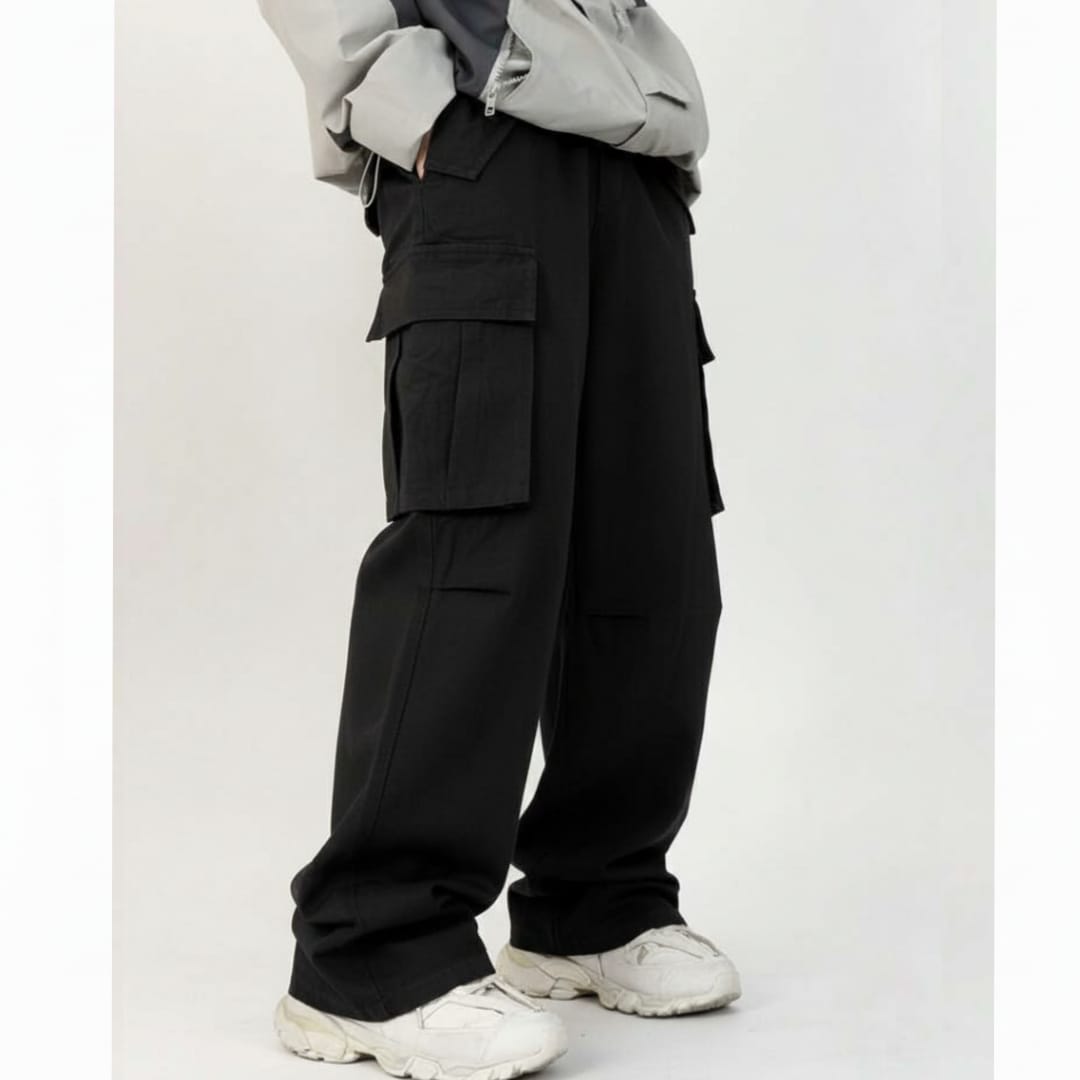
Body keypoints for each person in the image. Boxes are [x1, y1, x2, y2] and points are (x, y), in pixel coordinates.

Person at [258, 2, 739, 1076]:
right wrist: (405, 106)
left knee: (652, 553)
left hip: (633, 156)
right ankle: (370, 952)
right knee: (476, 555)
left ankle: (594, 902)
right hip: (484, 141)